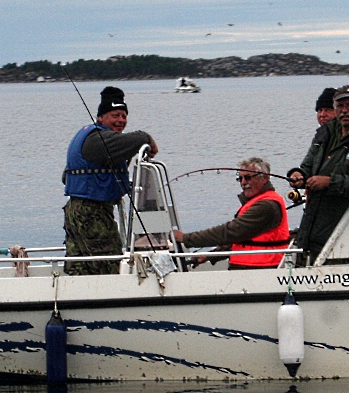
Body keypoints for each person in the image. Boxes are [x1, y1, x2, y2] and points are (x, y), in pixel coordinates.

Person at [63, 86, 158, 275]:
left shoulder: (89, 137)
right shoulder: (98, 139)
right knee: (109, 263)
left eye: (124, 116)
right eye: (115, 115)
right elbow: (137, 139)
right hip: (91, 214)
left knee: (81, 267)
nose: (121, 121)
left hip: (77, 211)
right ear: (101, 117)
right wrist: (148, 139)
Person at [288, 85, 349, 265]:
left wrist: (329, 182)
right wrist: (299, 176)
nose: (344, 111)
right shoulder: (325, 132)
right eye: (340, 106)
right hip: (311, 229)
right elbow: (308, 166)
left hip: (342, 236)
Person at [172, 157, 290, 270]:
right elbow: (242, 239)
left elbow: (231, 232)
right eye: (240, 179)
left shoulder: (266, 206)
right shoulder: (257, 201)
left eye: (248, 178)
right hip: (249, 268)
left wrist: (186, 238)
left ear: (264, 178)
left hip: (261, 269)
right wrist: (211, 255)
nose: (243, 183)